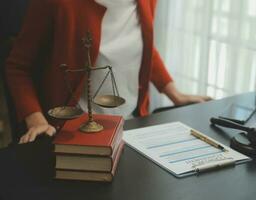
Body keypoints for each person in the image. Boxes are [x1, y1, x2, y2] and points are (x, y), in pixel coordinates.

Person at [5, 0, 211, 144]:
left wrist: (174, 93)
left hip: (131, 126)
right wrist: (36, 121)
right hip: (70, 132)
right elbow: (18, 66)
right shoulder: (57, 3)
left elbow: (144, 48)